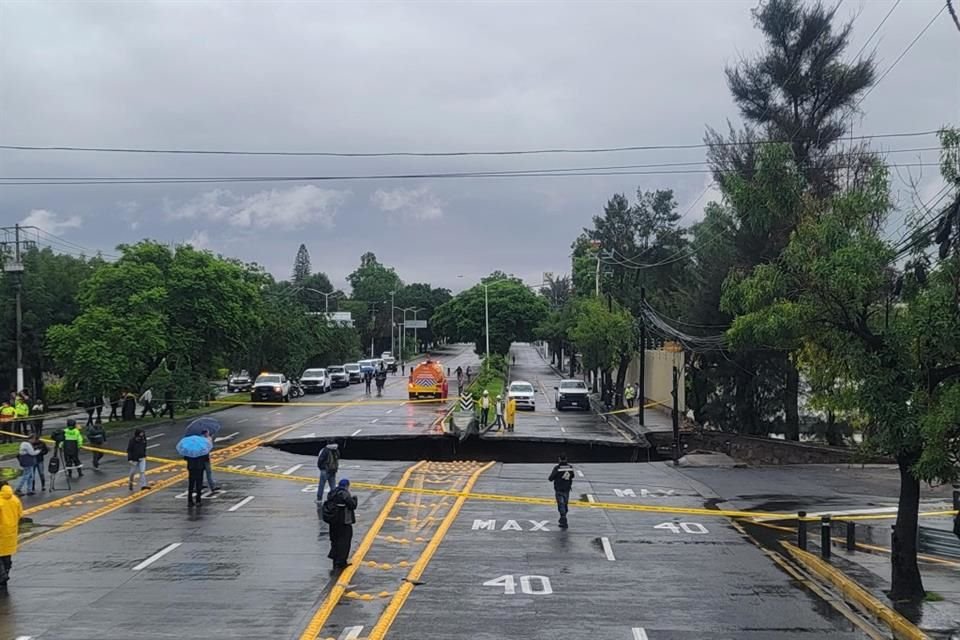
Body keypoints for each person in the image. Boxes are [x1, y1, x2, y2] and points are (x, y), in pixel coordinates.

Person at [326, 478, 358, 570]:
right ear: (347, 486)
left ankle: (334, 558)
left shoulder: (332, 493)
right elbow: (352, 505)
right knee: (344, 541)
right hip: (343, 521)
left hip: (333, 521)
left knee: (334, 540)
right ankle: (341, 561)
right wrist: (355, 499)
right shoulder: (344, 494)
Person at [0, 481, 23, 589]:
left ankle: (2, 576)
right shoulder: (15, 499)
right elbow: (20, 514)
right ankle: (6, 574)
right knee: (6, 554)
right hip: (11, 531)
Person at [548, 455, 574, 529]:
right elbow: (572, 476)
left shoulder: (557, 468)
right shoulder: (570, 467)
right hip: (567, 488)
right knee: (565, 503)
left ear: (559, 459)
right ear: (566, 459)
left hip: (559, 488)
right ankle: (563, 517)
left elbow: (550, 478)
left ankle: (563, 517)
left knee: (561, 503)